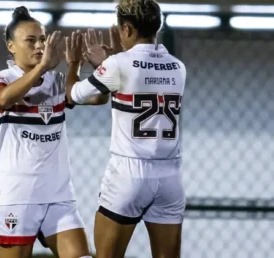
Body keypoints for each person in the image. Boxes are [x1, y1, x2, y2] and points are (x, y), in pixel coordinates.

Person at [65, 0, 187, 257]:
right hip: (170, 176)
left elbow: (73, 95)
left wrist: (76, 63)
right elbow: (138, 76)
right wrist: (111, 61)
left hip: (128, 175)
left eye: (121, 28)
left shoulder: (118, 64)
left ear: (128, 30)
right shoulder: (178, 67)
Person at [0, 6, 107, 258]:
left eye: (42, 40)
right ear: (11, 46)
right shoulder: (1, 78)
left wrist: (92, 68)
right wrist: (40, 68)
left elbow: (98, 99)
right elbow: (3, 100)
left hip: (58, 195)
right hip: (16, 196)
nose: (39, 46)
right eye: (30, 41)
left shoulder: (57, 81)